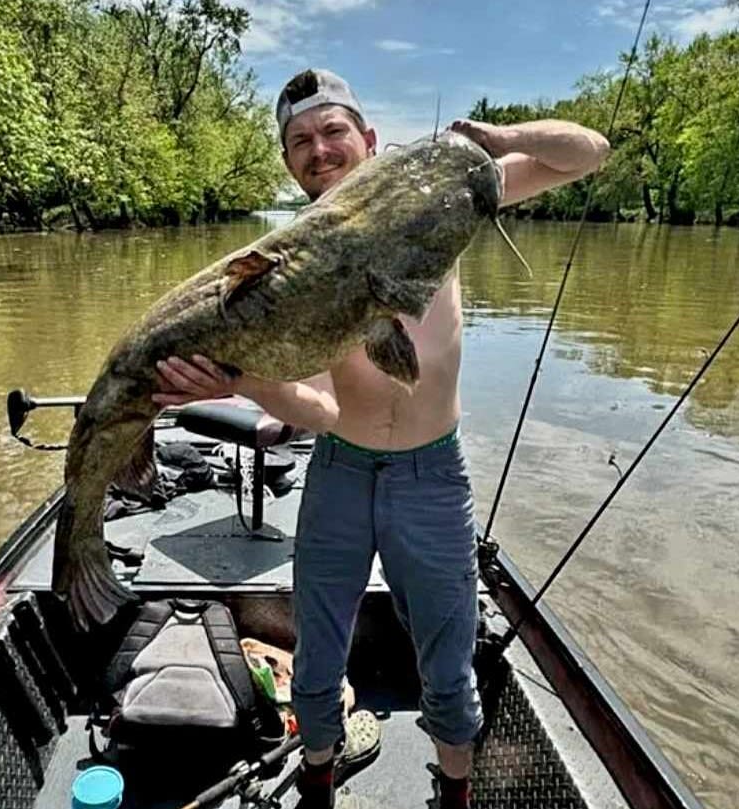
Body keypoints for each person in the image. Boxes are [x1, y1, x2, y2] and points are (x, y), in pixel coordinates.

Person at [151, 69, 610, 809]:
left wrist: (497, 139)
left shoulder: (439, 200)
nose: (319, 149)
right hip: (339, 469)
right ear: (287, 162)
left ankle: (452, 793)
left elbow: (587, 151)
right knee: (315, 660)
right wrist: (237, 379)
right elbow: (315, 407)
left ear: (368, 139)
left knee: (449, 662)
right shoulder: (281, 262)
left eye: (333, 131)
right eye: (299, 140)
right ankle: (319, 780)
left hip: (432, 476)